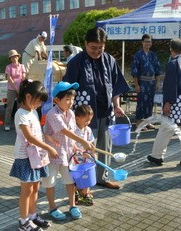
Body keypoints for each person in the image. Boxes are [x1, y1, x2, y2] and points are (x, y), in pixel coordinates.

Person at [63, 26, 130, 189]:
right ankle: (80, 182)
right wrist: (67, 114)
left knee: (104, 146)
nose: (97, 51)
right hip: (83, 115)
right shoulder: (76, 62)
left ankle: (102, 177)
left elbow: (115, 87)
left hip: (106, 111)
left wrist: (116, 106)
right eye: (93, 47)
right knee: (83, 149)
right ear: (86, 43)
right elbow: (67, 89)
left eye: (100, 48)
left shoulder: (109, 60)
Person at [9, 80, 58, 231]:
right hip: (25, 157)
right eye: (38, 101)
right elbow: (29, 137)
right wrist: (48, 148)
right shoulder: (21, 113)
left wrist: (47, 139)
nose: (39, 105)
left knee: (36, 188)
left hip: (37, 156)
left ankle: (32, 216)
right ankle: (23, 222)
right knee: (26, 191)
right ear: (29, 96)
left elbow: (38, 133)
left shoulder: (33, 112)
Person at [42, 81, 94, 220]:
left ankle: (72, 205)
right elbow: (64, 131)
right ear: (57, 100)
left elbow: (70, 136)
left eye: (72, 99)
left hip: (67, 155)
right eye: (67, 99)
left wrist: (77, 148)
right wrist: (83, 141)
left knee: (70, 181)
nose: (71, 102)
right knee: (50, 182)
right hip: (52, 154)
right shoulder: (53, 114)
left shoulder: (70, 113)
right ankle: (52, 207)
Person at [147, 38, 181, 169]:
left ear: (171, 49)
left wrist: (167, 102)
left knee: (165, 129)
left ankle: (157, 156)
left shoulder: (173, 64)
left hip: (176, 102)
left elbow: (170, 85)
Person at [131, 33, 163, 130]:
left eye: (149, 42)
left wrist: (157, 82)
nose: (147, 44)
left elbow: (157, 70)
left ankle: (148, 122)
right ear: (142, 42)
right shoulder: (138, 55)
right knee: (141, 102)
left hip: (151, 82)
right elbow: (135, 72)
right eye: (146, 42)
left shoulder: (153, 55)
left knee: (150, 102)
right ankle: (139, 123)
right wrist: (136, 85)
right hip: (142, 82)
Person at [72, 104, 96, 206]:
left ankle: (85, 193)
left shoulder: (88, 130)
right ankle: (76, 194)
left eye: (90, 120)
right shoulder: (72, 130)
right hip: (75, 159)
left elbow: (92, 144)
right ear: (77, 118)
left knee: (87, 176)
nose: (88, 123)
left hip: (86, 159)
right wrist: (81, 152)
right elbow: (71, 145)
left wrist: (93, 154)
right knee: (75, 178)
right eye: (86, 120)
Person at [4, 49, 27, 131]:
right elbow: (9, 78)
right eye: (12, 57)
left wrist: (21, 88)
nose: (14, 58)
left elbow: (23, 78)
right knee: (9, 107)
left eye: (15, 56)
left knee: (20, 107)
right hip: (11, 89)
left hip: (20, 88)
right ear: (10, 59)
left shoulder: (22, 66)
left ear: (18, 57)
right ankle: (7, 124)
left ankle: (19, 125)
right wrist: (16, 88)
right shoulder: (8, 67)